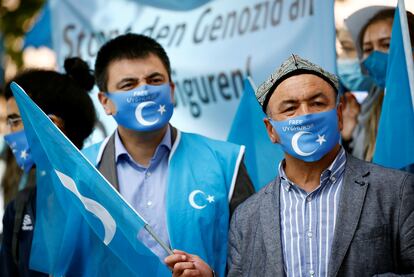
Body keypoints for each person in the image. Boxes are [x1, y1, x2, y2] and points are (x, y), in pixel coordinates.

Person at [82, 33, 254, 277]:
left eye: (154, 80)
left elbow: (256, 257)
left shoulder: (225, 161)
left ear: (171, 91)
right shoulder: (82, 169)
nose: (144, 91)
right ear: (105, 102)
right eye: (128, 85)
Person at [227, 54, 414, 276]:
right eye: (290, 108)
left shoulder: (397, 191)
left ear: (339, 116)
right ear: (271, 130)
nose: (305, 116)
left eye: (317, 103)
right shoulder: (246, 218)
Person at [0, 57, 97, 277]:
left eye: (15, 121)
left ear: (52, 124)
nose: (9, 133)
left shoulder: (106, 201)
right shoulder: (19, 209)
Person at [342, 7, 414, 161]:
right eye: (368, 49)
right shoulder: (372, 105)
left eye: (387, 45)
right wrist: (348, 136)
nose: (375, 55)